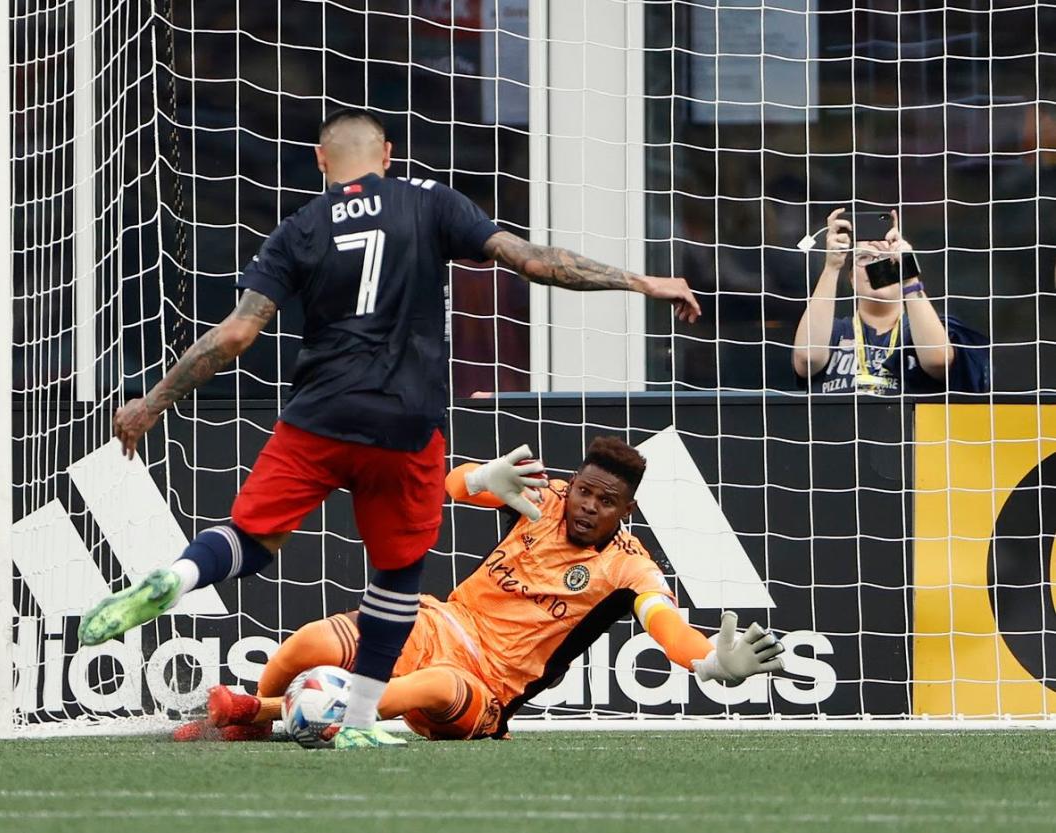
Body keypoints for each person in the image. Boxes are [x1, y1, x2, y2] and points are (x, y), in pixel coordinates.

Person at [77, 109, 702, 749]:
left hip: (318, 415)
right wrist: (641, 282)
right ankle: (356, 723)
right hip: (405, 424)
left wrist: (151, 403)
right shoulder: (429, 202)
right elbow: (531, 261)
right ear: (389, 154)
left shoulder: (298, 228)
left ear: (321, 163)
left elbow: (236, 334)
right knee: (397, 578)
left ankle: (177, 578)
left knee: (252, 540)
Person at [175, 436, 784, 743]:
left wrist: (706, 659)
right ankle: (257, 718)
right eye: (584, 491)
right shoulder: (538, 499)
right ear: (571, 485)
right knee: (310, 641)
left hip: (487, 687)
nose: (588, 507)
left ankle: (264, 713)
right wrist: (476, 477)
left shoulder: (631, 568)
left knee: (430, 687)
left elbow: (665, 623)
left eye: (606, 502)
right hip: (439, 622)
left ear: (626, 510)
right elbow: (441, 486)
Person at [793, 208, 988, 394]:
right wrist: (833, 265)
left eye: (886, 258)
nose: (876, 265)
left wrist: (909, 275)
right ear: (852, 279)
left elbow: (939, 362)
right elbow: (806, 359)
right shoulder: (832, 331)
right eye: (865, 257)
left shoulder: (924, 330)